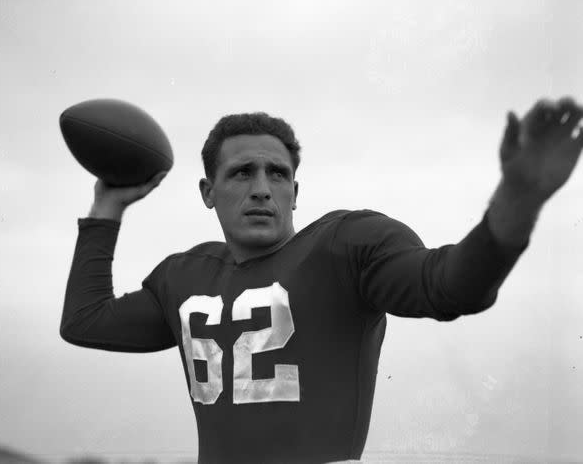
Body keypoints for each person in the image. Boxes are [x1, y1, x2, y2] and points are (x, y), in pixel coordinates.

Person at [60, 97, 583, 464]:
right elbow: (84, 322)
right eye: (242, 173)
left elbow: (449, 286)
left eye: (278, 173)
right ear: (207, 191)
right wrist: (107, 204)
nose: (262, 188)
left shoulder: (346, 245)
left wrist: (516, 201)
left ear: (295, 190)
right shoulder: (183, 276)